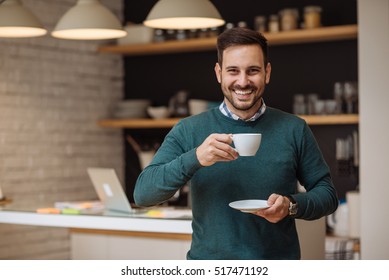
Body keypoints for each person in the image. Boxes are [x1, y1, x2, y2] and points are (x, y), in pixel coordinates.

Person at [134, 27, 338, 260]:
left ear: (267, 73)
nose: (243, 82)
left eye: (253, 71)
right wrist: (196, 158)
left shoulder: (294, 128)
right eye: (233, 71)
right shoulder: (188, 130)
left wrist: (290, 205)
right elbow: (143, 194)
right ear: (219, 73)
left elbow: (327, 195)